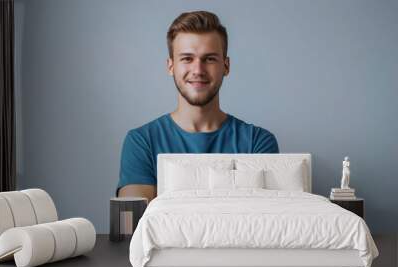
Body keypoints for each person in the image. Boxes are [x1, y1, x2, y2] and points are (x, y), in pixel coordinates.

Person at [117, 11, 279, 201]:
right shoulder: (142, 142)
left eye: (209, 59)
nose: (198, 70)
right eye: (187, 58)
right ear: (171, 66)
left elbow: (261, 220)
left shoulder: (257, 142)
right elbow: (134, 224)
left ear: (226, 66)